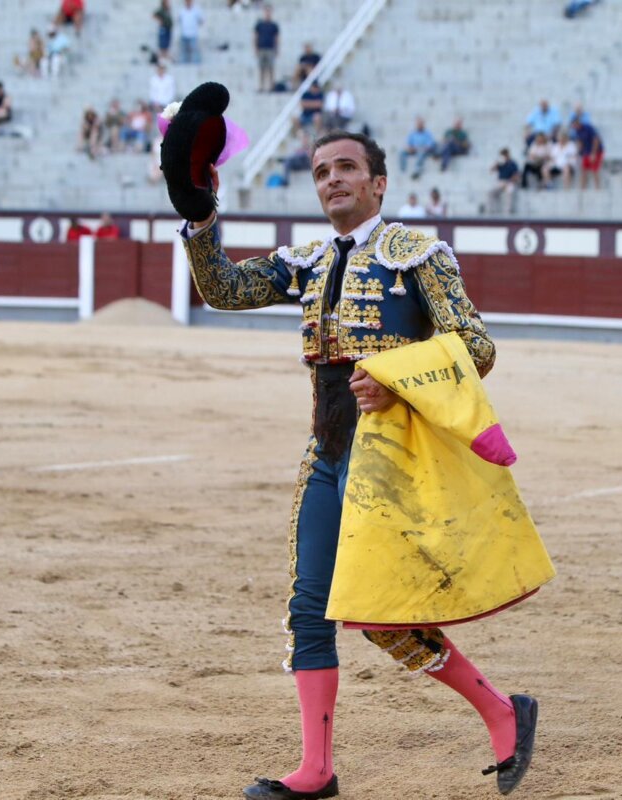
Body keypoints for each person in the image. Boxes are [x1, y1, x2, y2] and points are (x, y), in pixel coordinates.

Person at [176, 128, 540, 800]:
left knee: (380, 613)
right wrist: (200, 217)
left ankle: (500, 709)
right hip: (326, 453)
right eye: (320, 171)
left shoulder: (418, 255)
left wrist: (396, 375)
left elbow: (477, 347)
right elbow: (222, 290)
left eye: (346, 167)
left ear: (378, 183)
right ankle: (316, 770)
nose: (332, 179)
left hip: (391, 459)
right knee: (309, 608)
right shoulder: (308, 260)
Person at [254, 4, 279, 92]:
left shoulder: (274, 25)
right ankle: (261, 86)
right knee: (262, 68)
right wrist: (256, 48)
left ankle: (271, 86)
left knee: (270, 68)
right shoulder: (259, 25)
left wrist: (276, 49)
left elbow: (276, 38)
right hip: (262, 48)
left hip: (270, 49)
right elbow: (256, 37)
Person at [573, 118, 603, 189]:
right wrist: (578, 154)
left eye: (575, 125)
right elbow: (580, 143)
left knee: (594, 169)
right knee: (583, 170)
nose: (574, 127)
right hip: (586, 152)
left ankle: (598, 188)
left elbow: (595, 140)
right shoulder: (577, 131)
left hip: (596, 151)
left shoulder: (588, 128)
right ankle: (583, 189)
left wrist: (593, 153)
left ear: (578, 123)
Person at [488, 147, 519, 214]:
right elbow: (491, 171)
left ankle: (507, 212)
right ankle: (491, 211)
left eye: (505, 155)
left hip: (510, 182)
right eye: (503, 155)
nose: (504, 157)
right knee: (490, 192)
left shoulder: (513, 163)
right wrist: (496, 164)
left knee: (509, 192)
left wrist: (508, 182)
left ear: (508, 155)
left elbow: (516, 176)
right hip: (501, 182)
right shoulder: (500, 163)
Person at [177, 0, 203, 64]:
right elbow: (179, 20)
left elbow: (201, 20)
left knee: (194, 50)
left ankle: (196, 64)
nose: (188, 2)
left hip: (193, 33)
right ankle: (183, 64)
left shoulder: (196, 10)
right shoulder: (182, 10)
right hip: (184, 33)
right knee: (184, 51)